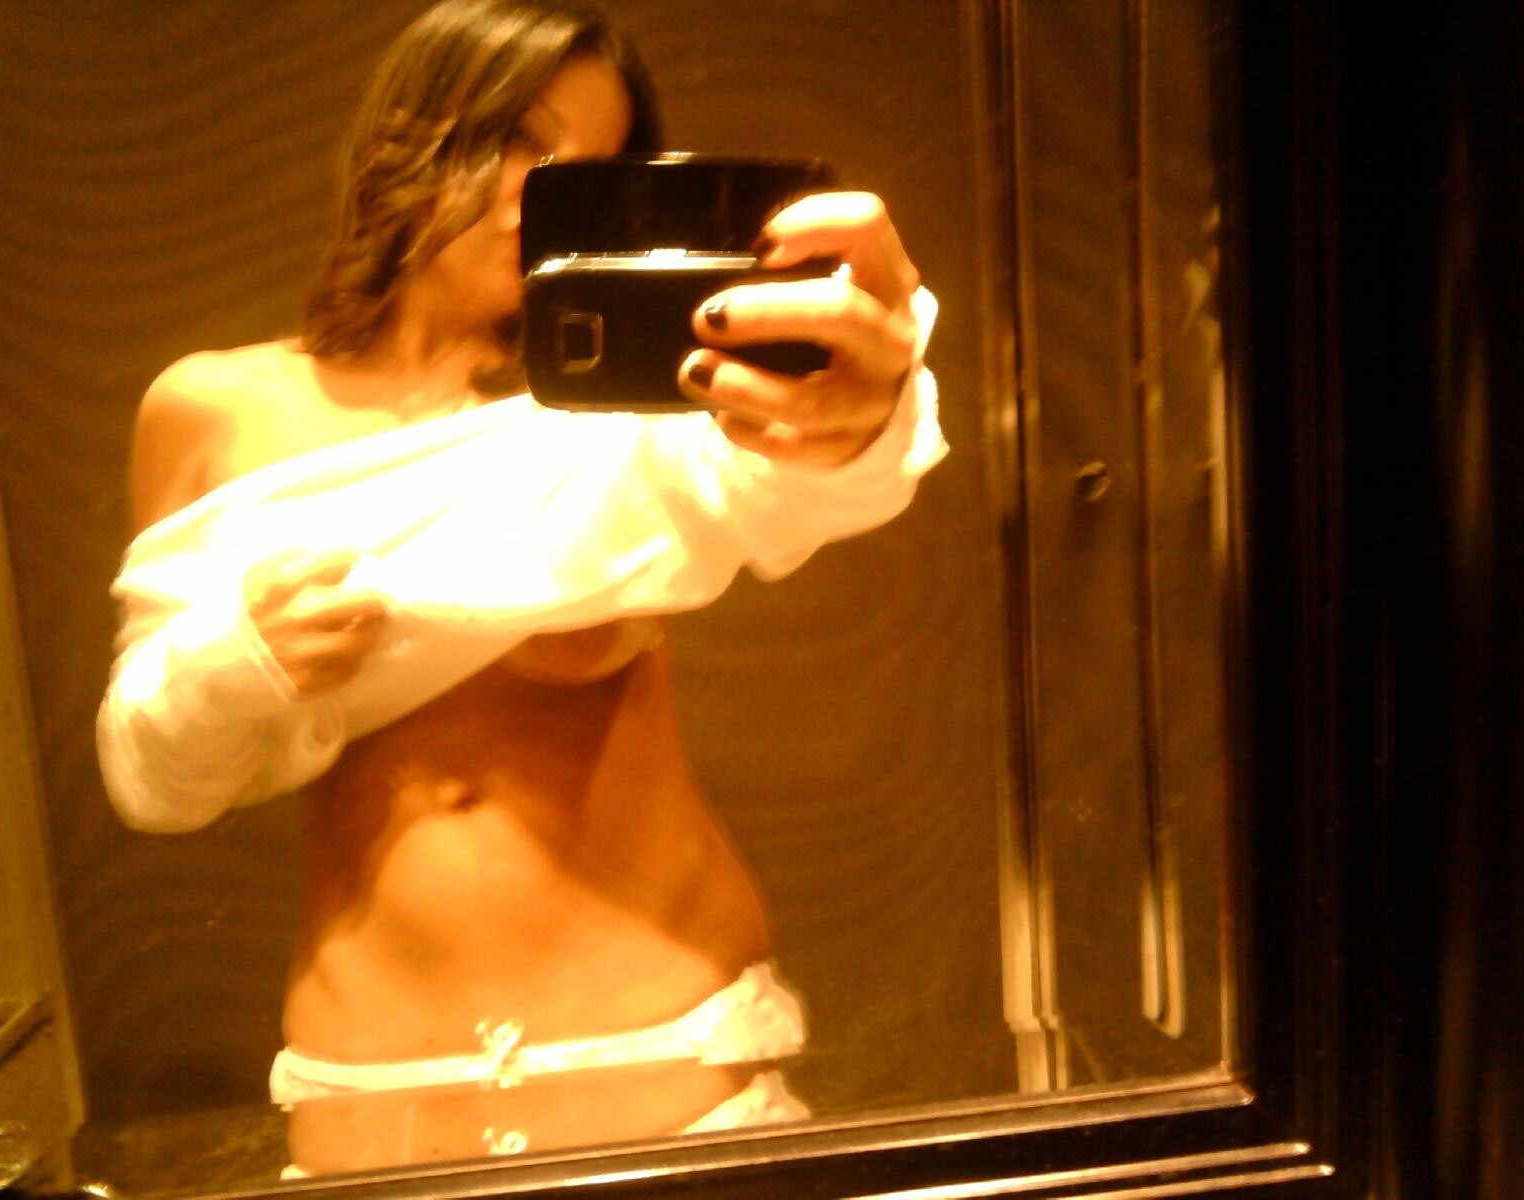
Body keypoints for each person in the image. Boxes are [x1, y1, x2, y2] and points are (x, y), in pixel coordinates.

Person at [97, 0, 944, 1175]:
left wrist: (864, 411)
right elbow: (153, 779)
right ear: (408, 135)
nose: (543, 195)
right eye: (517, 140)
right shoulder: (209, 411)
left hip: (670, 1078)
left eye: (590, 170)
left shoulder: (641, 412)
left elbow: (800, 480)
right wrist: (231, 660)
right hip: (374, 1101)